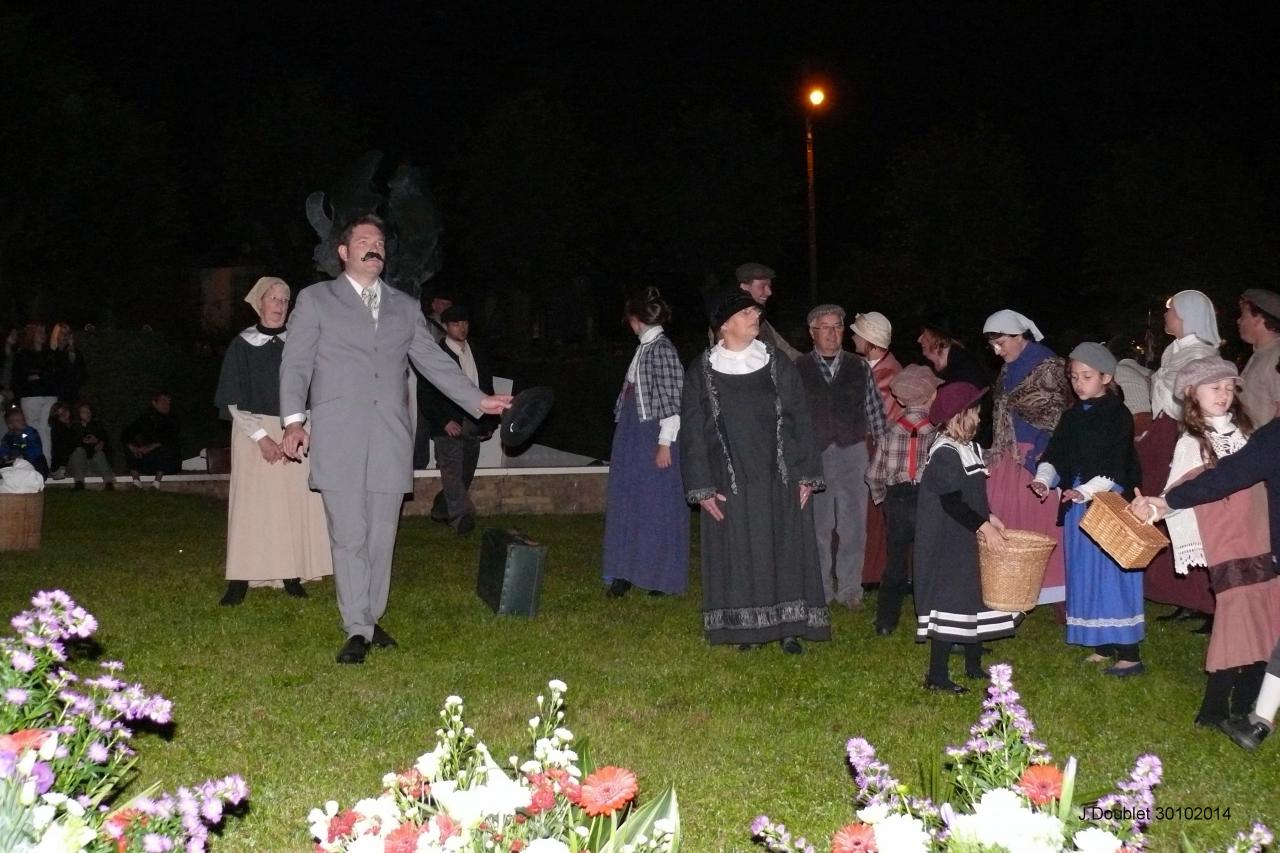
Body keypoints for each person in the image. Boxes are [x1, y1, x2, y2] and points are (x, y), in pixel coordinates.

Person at [279, 215, 510, 664]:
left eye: (380, 242)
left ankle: (370, 616)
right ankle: (356, 628)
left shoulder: (406, 307)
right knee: (349, 536)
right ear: (343, 253)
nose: (373, 247)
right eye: (363, 241)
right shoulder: (315, 300)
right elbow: (296, 364)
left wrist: (480, 402)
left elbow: (433, 363)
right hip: (338, 434)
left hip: (389, 438)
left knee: (382, 535)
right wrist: (292, 420)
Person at [680, 284, 829, 654]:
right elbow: (694, 433)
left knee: (785, 549)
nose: (756, 317)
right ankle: (746, 629)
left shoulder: (777, 363)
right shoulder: (702, 370)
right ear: (725, 324)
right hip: (730, 480)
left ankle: (790, 628)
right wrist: (701, 487)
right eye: (747, 314)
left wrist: (806, 474)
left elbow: (800, 419)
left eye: (756, 313)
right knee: (740, 554)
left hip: (779, 475)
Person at [1140, 356, 1280, 733]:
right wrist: (1156, 512)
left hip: (1261, 537)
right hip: (1228, 544)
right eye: (1212, 387)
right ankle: (1216, 709)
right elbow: (1177, 494)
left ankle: (1247, 702)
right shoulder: (1192, 443)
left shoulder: (1249, 433)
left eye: (1228, 387)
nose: (1223, 394)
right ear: (1191, 393)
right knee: (1236, 622)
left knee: (1265, 619)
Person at [214, 277, 333, 606]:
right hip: (253, 434)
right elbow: (233, 401)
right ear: (259, 302)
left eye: (285, 299)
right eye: (274, 299)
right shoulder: (242, 345)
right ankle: (239, 579)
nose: (280, 305)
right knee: (251, 508)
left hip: (293, 430)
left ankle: (291, 574)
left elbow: (311, 390)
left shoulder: (299, 343)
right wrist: (263, 439)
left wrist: (299, 427)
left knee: (290, 505)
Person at [1029, 343, 1145, 675]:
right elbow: (1056, 454)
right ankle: (1102, 642)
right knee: (1085, 573)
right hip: (1078, 504)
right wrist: (1044, 479)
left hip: (1109, 503)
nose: (1079, 383)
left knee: (1112, 574)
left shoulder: (1117, 415)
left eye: (1087, 376)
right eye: (1074, 376)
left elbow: (1116, 463)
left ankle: (1129, 652)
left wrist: (1086, 491)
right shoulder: (1072, 416)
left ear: (1106, 377)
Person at [914, 381, 1018, 694]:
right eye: (974, 410)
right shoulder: (944, 451)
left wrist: (991, 516)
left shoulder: (970, 447)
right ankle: (937, 675)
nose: (980, 416)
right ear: (960, 416)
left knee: (976, 596)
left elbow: (975, 494)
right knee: (951, 601)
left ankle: (973, 664)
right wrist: (982, 526)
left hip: (968, 534)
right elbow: (952, 501)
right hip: (950, 540)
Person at [795, 304, 885, 609]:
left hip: (852, 452)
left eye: (838, 327)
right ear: (812, 333)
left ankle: (850, 591)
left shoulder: (859, 368)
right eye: (826, 328)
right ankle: (821, 589)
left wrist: (881, 455)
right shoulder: (798, 368)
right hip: (815, 455)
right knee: (819, 528)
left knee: (853, 527)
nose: (833, 334)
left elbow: (875, 413)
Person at [601, 287, 689, 597]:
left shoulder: (662, 349)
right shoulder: (645, 347)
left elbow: (673, 399)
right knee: (628, 500)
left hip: (652, 434)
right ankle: (624, 571)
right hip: (632, 432)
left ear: (635, 319)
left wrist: (665, 442)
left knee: (657, 505)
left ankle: (660, 576)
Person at [982, 309, 1072, 604]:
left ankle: (1053, 590)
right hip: (1008, 452)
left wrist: (1041, 453)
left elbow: (1055, 413)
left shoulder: (1046, 365)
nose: (997, 351)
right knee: (1004, 517)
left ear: (1019, 336)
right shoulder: (1010, 366)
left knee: (1037, 521)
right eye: (993, 345)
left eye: (1001, 343)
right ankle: (1011, 584)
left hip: (1034, 453)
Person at [1143, 290, 1221, 623]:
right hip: (1165, 434)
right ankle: (1182, 592)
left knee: (1189, 508)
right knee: (1166, 509)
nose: (1166, 315)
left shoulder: (1202, 354)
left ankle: (1206, 597)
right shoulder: (1172, 352)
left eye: (1171, 310)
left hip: (1187, 436)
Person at [866, 364, 942, 635]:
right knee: (927, 560)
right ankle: (929, 619)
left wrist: (881, 498)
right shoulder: (936, 433)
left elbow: (874, 473)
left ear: (898, 399)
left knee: (895, 562)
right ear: (931, 396)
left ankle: (886, 622)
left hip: (896, 500)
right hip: (927, 499)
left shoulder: (889, 432)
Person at [423, 305, 498, 536]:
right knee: (452, 472)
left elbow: (486, 387)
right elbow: (426, 393)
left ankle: (441, 509)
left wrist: (489, 422)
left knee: (465, 473)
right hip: (449, 423)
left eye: (464, 323)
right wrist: (444, 421)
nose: (462, 328)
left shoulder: (476, 351)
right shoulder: (437, 354)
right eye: (456, 324)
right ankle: (461, 518)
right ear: (446, 327)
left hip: (474, 420)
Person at [850, 310, 900, 594]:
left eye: (858, 333)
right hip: (864, 448)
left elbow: (871, 417)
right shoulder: (868, 368)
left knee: (874, 515)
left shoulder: (888, 374)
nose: (853, 337)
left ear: (870, 340)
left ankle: (873, 571)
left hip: (879, 452)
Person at [720, 263, 801, 361]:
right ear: (744, 287)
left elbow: (786, 350)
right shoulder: (727, 322)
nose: (769, 292)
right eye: (762, 286)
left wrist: (809, 362)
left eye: (769, 286)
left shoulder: (761, 320)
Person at [12, 323, 57, 461]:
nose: (43, 335)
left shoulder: (49, 353)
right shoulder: (22, 354)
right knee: (33, 429)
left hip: (49, 394)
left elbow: (51, 373)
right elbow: (21, 376)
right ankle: (37, 461)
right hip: (30, 396)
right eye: (39, 332)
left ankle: (46, 462)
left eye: (44, 332)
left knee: (46, 428)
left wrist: (38, 375)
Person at [1237, 288, 1280, 427]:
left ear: (1258, 319)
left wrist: (1264, 447)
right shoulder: (1261, 353)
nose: (1239, 321)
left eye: (1243, 314)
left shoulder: (1276, 356)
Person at [121, 392, 181, 486]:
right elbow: (126, 433)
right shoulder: (147, 418)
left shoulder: (173, 419)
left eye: (168, 402)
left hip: (167, 464)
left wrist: (151, 447)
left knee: (166, 448)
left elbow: (170, 438)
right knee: (129, 446)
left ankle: (156, 483)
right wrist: (133, 447)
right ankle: (136, 482)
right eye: (163, 401)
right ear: (154, 403)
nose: (166, 405)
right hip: (148, 460)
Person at [67, 401, 115, 490]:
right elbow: (69, 445)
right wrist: (82, 441)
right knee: (79, 450)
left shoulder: (97, 425)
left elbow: (107, 443)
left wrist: (98, 441)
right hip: (78, 466)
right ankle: (79, 483)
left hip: (93, 465)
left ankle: (109, 482)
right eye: (84, 412)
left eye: (89, 412)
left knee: (99, 453)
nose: (87, 414)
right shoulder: (74, 427)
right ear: (79, 414)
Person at [0, 407, 49, 478]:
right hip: (17, 462)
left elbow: (35, 448)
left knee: (38, 462)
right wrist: (5, 457)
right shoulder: (8, 437)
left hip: (33, 461)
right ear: (10, 425)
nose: (21, 422)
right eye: (17, 420)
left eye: (22, 419)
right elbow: (4, 448)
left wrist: (23, 456)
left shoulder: (30, 432)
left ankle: (37, 479)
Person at [49, 322, 85, 405]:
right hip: (54, 396)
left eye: (67, 333)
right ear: (56, 335)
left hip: (72, 395)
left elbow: (82, 373)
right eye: (62, 333)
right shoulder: (50, 354)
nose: (65, 336)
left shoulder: (75, 353)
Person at [49, 402, 75, 479]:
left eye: (65, 412)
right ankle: (59, 470)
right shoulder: (57, 428)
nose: (64, 415)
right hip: (61, 463)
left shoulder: (74, 425)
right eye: (61, 414)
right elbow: (61, 448)